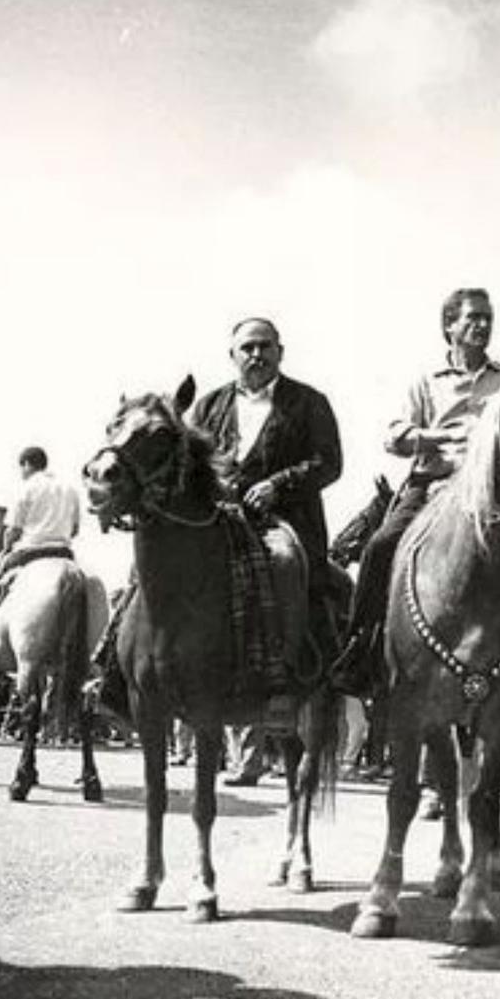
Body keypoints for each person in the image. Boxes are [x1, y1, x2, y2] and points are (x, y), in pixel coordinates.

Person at [331, 288, 500, 698]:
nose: (482, 325)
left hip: (493, 493)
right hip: (432, 485)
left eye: (487, 317)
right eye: (472, 318)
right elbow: (395, 437)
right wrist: (441, 438)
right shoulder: (426, 382)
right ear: (449, 326)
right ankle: (362, 648)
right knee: (380, 547)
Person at [189, 316, 343, 786]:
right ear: (231, 354)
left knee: (282, 562)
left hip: (283, 519)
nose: (256, 355)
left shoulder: (309, 402)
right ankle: (124, 677)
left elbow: (329, 462)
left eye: (265, 347)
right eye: (247, 348)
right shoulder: (209, 405)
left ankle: (282, 682)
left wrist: (280, 484)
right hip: (219, 519)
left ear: (281, 351)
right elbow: (186, 461)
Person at [0, 446, 81, 650]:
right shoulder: (70, 489)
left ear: (27, 464)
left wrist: (5, 549)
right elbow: (74, 530)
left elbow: (13, 530)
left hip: (30, 552)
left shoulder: (27, 486)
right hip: (65, 554)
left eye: (22, 468)